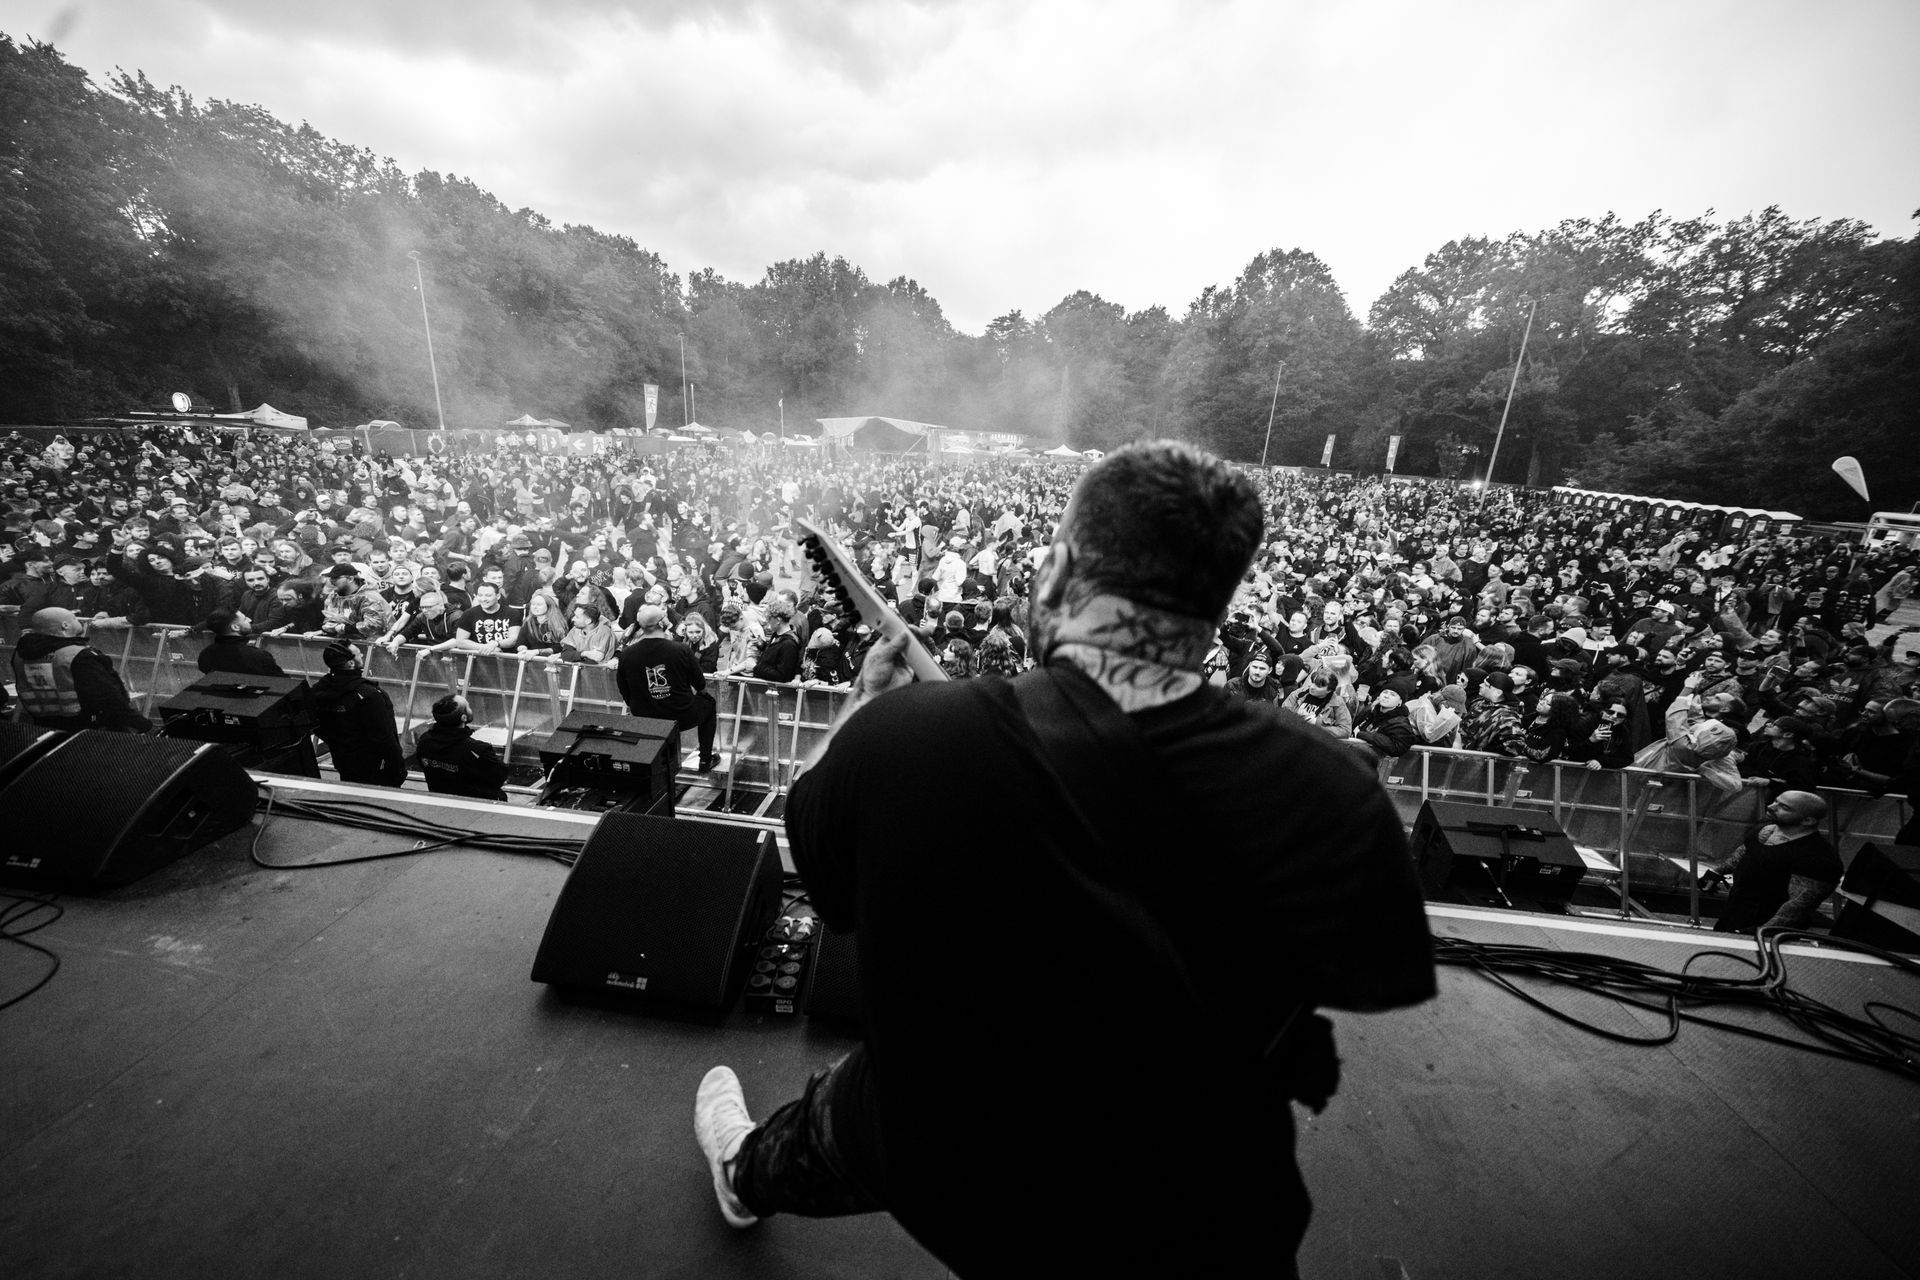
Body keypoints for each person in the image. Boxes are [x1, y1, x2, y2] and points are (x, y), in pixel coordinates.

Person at [693, 441, 1436, 1277]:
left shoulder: (905, 741)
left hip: (964, 1145)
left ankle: (743, 1174)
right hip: (1203, 1203)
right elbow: (1367, 978)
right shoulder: (1332, 785)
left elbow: (829, 884)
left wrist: (865, 717)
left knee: (859, 1113)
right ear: (1218, 601)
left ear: (1060, 571)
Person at [1701, 790, 1842, 934]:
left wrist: (1762, 932)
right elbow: (1747, 849)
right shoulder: (1766, 827)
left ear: (1808, 821)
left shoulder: (1818, 858)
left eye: (1784, 807)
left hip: (1767, 930)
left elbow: (1796, 907)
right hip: (1734, 912)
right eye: (1776, 801)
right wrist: (1717, 872)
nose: (1771, 806)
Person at [10, 606, 152, 732]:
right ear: (65, 625)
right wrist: (142, 725)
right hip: (90, 730)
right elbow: (108, 697)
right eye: (74, 619)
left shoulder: (20, 655)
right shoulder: (78, 656)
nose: (79, 621)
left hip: (43, 727)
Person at [617, 605, 721, 770]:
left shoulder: (627, 653)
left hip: (644, 714)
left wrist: (636, 705)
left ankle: (653, 761)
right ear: (661, 624)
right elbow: (699, 683)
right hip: (680, 714)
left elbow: (623, 688)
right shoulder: (680, 650)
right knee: (708, 703)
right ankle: (705, 760)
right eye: (665, 618)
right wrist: (702, 693)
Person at [309, 640, 406, 786]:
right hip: (373, 766)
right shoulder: (368, 695)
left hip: (343, 759)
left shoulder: (318, 690)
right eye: (359, 654)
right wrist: (398, 767)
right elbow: (384, 736)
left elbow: (316, 724)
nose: (362, 655)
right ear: (350, 664)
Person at [410, 693, 510, 801]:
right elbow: (500, 776)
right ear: (464, 717)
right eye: (468, 706)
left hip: (440, 799)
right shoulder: (476, 750)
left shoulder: (425, 742)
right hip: (478, 805)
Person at [197, 609, 288, 677]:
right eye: (244, 619)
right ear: (235, 627)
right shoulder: (258, 656)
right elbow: (281, 683)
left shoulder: (205, 654)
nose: (249, 620)